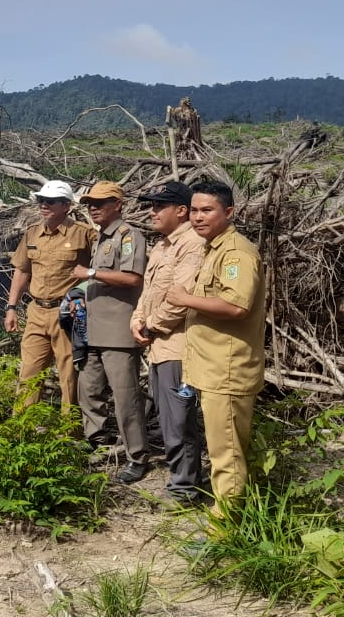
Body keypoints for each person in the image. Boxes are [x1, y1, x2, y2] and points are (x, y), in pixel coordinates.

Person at [167, 181, 266, 510]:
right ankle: (234, 514)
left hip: (227, 371)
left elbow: (237, 306)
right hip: (212, 368)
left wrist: (185, 299)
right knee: (225, 450)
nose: (198, 217)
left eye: (207, 210)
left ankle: (225, 528)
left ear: (229, 212)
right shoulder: (214, 249)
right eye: (194, 210)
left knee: (227, 456)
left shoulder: (236, 253)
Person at [129, 181, 208, 503]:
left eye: (160, 206)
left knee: (179, 419)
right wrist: (137, 319)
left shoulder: (193, 244)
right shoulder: (162, 246)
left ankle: (186, 489)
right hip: (159, 347)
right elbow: (149, 293)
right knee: (167, 417)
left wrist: (150, 324)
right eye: (152, 206)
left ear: (181, 210)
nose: (153, 212)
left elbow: (180, 299)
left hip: (179, 347)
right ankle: (184, 479)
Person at [74, 181, 151, 484]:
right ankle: (97, 443)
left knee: (125, 398)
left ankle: (137, 456)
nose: (93, 208)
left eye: (100, 203)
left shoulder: (128, 236)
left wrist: (91, 273)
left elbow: (132, 278)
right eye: (89, 204)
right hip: (94, 329)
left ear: (117, 204)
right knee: (88, 389)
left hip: (118, 332)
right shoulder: (101, 238)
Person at [4, 180, 96, 407]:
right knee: (29, 373)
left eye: (50, 201)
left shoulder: (84, 234)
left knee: (69, 375)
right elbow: (22, 270)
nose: (44, 205)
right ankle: (23, 424)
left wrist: (84, 296)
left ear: (66, 205)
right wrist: (11, 307)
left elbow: (102, 267)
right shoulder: (32, 233)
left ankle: (70, 427)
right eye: (41, 200)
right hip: (36, 312)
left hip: (66, 313)